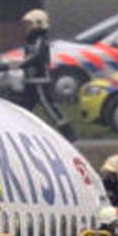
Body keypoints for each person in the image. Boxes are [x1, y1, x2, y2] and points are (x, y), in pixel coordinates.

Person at [17, 9, 76, 141]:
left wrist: (20, 65)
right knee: (23, 108)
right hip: (31, 81)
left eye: (29, 24)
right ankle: (19, 130)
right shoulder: (31, 40)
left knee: (48, 106)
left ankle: (67, 132)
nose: (26, 28)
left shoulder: (40, 40)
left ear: (37, 24)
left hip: (40, 81)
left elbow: (37, 57)